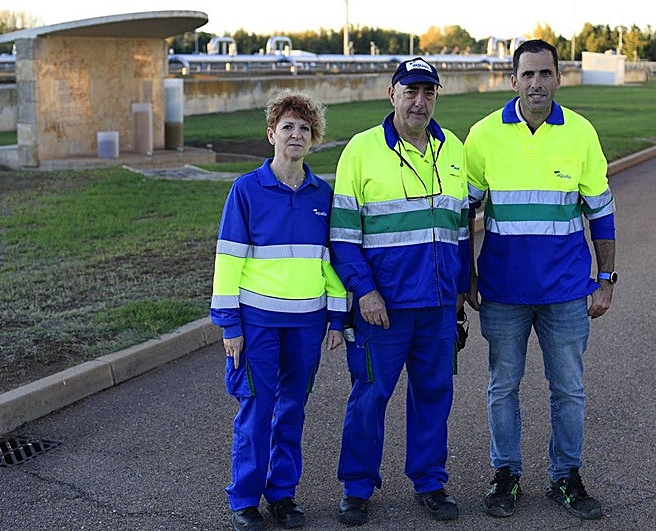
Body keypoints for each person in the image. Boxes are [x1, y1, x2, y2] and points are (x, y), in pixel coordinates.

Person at [464, 39, 615, 521]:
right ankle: (505, 474)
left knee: (568, 388)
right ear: (513, 81)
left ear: (557, 78)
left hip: (567, 291)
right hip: (503, 291)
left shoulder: (581, 133)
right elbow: (463, 213)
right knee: (502, 386)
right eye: (527, 75)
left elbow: (601, 211)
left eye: (545, 74)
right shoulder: (484, 136)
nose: (536, 83)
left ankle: (565, 477)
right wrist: (468, 274)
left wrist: (606, 277)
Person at [329, 57, 470, 525]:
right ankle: (357, 487)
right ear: (392, 94)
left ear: (436, 97)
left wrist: (459, 290)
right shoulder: (362, 150)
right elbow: (344, 236)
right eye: (410, 90)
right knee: (369, 396)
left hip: (436, 305)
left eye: (429, 91)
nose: (419, 100)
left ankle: (430, 482)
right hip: (381, 308)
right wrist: (365, 293)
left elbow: (461, 228)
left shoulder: (453, 148)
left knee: (434, 394)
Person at [210, 88, 347, 531]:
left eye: (304, 128)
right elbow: (228, 262)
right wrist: (230, 324)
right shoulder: (246, 191)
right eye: (287, 126)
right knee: (256, 408)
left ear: (313, 139)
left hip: (306, 326)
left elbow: (331, 262)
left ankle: (283, 495)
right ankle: (245, 498)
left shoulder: (322, 195)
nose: (296, 134)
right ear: (271, 134)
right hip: (257, 324)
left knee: (292, 411)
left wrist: (336, 316)